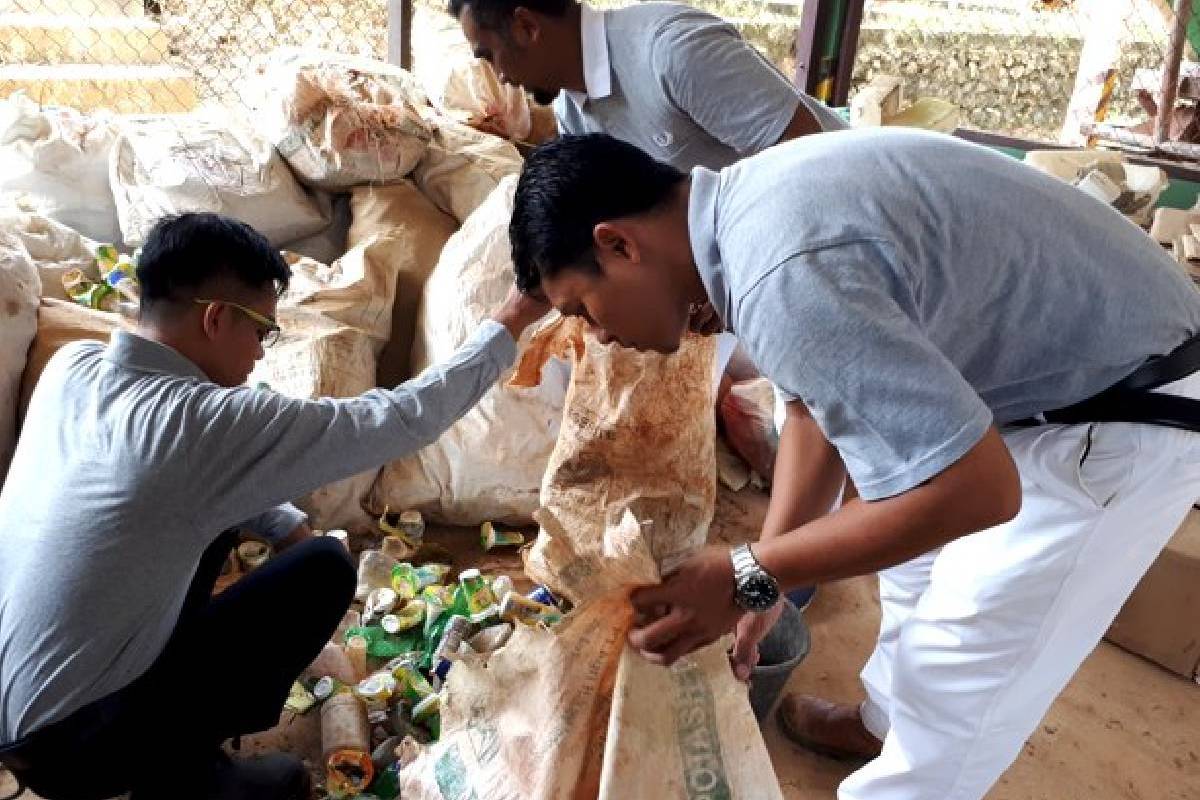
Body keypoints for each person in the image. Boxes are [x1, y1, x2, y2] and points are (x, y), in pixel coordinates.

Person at [506, 132, 1200, 799]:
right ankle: (881, 726)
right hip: (1039, 381)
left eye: (582, 308)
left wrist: (749, 571)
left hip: (1126, 408)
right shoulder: (741, 219)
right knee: (909, 557)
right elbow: (818, 406)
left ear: (619, 244)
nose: (596, 335)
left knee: (956, 676)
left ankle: (912, 759)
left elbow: (981, 491)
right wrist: (767, 579)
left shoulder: (779, 272)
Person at [0, 212, 548, 800]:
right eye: (263, 332)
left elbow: (188, 482)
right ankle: (176, 773)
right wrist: (515, 313)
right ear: (216, 318)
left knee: (228, 528)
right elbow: (402, 416)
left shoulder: (72, 367)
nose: (261, 356)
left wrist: (286, 523)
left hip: (17, 709)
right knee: (322, 572)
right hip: (78, 749)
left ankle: (162, 743)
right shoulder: (204, 423)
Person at [450, 0, 842, 606]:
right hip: (729, 280)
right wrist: (502, 332)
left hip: (808, 266)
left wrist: (719, 270)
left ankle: (783, 582)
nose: (499, 77)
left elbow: (811, 167)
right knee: (807, 413)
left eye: (490, 54)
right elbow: (582, 236)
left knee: (839, 428)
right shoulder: (579, 111)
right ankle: (778, 578)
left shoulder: (671, 51)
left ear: (527, 25)